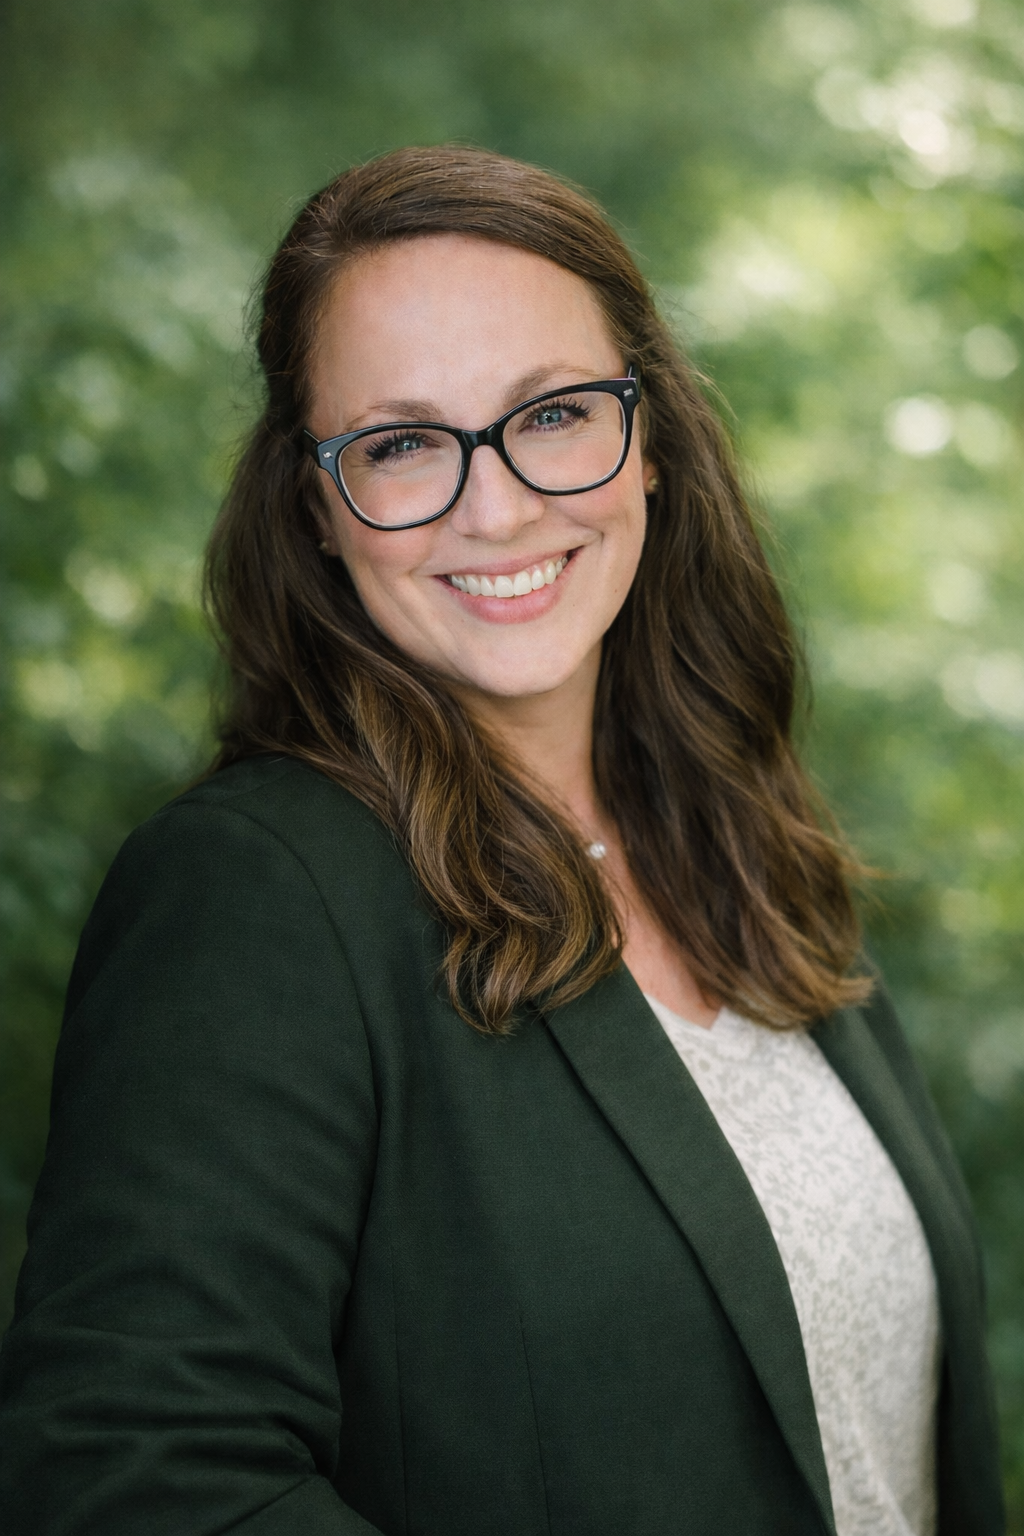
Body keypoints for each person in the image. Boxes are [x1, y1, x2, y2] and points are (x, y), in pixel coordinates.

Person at [0, 146, 1004, 1536]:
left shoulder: (750, 854)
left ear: (648, 438)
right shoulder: (257, 893)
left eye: (554, 414)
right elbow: (136, 1477)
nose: (498, 504)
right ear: (315, 504)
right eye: (404, 443)